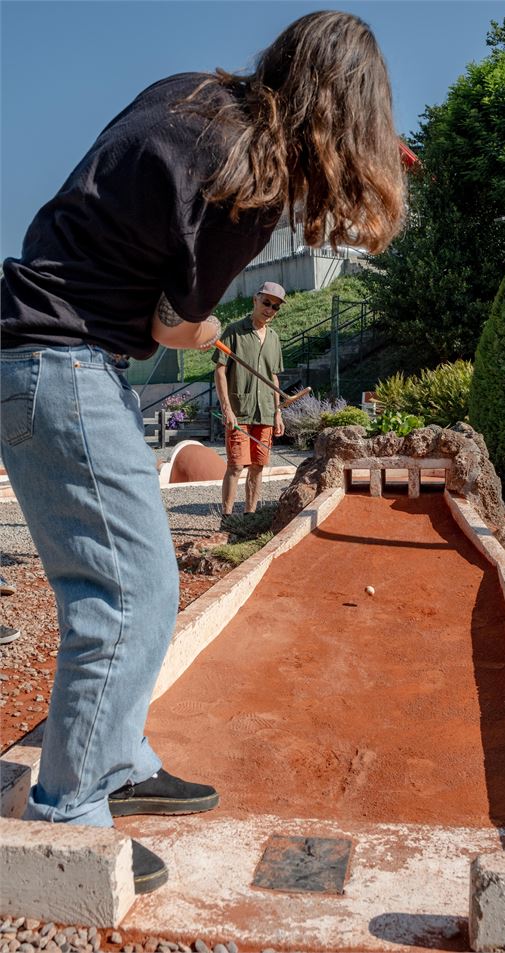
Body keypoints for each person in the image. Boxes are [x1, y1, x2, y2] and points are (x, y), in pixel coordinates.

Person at [0, 11, 405, 893]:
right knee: (123, 589)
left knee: (136, 576)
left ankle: (120, 759)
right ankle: (67, 817)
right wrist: (208, 326)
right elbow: (172, 326)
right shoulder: (251, 182)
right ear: (341, 115)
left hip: (39, 349)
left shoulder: (195, 94)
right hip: (63, 359)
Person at [214, 281, 285, 515]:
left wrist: (278, 412)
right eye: (266, 303)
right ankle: (227, 517)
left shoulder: (274, 338)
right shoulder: (234, 331)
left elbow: (273, 377)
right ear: (255, 299)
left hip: (265, 411)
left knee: (258, 466)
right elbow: (220, 370)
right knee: (235, 465)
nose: (269, 309)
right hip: (239, 409)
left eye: (275, 307)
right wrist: (227, 408)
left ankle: (249, 515)